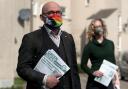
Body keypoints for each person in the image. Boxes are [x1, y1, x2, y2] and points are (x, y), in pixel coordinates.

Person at [16, 1, 81, 89]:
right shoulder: (31, 38)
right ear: (42, 17)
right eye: (50, 12)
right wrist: (44, 79)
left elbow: (74, 70)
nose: (55, 15)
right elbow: (22, 68)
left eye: (58, 12)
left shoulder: (68, 38)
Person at [81, 18, 120, 89]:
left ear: (103, 27)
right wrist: (93, 72)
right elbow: (83, 65)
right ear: (93, 29)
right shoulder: (89, 46)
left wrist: (117, 79)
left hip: (108, 83)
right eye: (96, 27)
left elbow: (113, 64)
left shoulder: (110, 44)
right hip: (94, 84)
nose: (99, 28)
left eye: (100, 26)